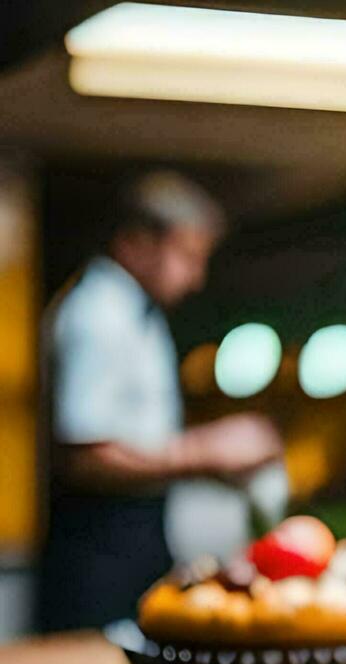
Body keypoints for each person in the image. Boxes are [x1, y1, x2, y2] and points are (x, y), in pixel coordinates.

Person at [37, 171, 281, 631]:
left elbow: (134, 435)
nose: (196, 278)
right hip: (99, 547)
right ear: (136, 243)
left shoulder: (135, 314)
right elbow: (85, 456)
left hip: (135, 536)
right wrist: (206, 451)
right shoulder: (98, 314)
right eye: (188, 257)